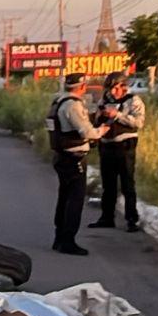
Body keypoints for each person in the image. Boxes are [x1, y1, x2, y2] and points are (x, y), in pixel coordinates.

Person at [45, 73, 109, 256]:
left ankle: (60, 237)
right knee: (75, 199)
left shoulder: (58, 101)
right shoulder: (73, 105)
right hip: (74, 157)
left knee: (64, 197)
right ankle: (68, 240)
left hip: (62, 156)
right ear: (82, 86)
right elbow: (86, 131)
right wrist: (102, 130)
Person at [88, 70, 145, 232]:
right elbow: (96, 119)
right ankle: (107, 217)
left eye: (116, 88)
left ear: (123, 86)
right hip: (106, 145)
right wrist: (99, 116)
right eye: (110, 88)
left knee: (127, 183)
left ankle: (131, 219)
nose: (113, 92)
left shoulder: (133, 101)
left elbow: (139, 122)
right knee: (108, 184)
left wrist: (117, 115)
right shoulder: (104, 100)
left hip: (125, 145)